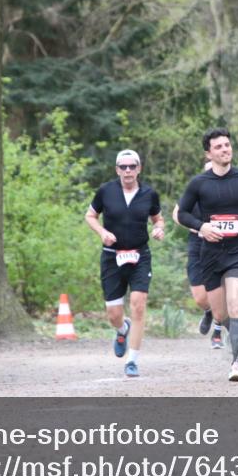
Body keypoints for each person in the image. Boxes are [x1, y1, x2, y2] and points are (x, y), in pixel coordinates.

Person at [177, 128, 238, 382]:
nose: (225, 149)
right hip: (211, 255)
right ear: (208, 152)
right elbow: (182, 213)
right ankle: (231, 332)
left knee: (237, 303)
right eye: (218, 147)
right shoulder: (199, 183)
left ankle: (237, 363)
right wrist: (201, 226)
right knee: (220, 314)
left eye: (227, 145)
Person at [85, 149, 164, 378]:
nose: (127, 171)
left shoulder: (149, 193)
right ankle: (122, 329)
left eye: (132, 166)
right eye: (123, 167)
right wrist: (102, 232)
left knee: (138, 304)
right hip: (112, 256)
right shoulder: (106, 191)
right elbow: (90, 216)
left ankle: (132, 361)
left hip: (140, 255)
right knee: (113, 314)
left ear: (139, 168)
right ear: (117, 169)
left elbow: (158, 218)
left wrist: (158, 228)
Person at [172, 161, 225, 349]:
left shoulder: (227, 193)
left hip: (220, 244)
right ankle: (209, 312)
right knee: (200, 297)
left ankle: (218, 330)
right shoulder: (194, 190)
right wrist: (197, 227)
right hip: (197, 243)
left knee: (219, 289)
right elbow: (176, 215)